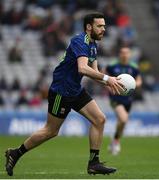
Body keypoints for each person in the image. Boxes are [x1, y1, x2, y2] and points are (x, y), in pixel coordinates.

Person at [5, 12, 124, 176]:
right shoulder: (79, 41)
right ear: (89, 27)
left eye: (104, 25)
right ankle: (15, 153)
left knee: (100, 119)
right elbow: (83, 68)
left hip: (74, 89)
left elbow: (94, 72)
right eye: (100, 26)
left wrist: (112, 82)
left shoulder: (93, 45)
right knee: (50, 131)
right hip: (61, 91)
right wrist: (106, 78)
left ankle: (94, 163)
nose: (104, 29)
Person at [105, 47, 142, 155]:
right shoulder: (112, 65)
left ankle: (115, 140)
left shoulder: (134, 67)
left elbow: (139, 80)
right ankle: (116, 142)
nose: (124, 55)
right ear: (119, 54)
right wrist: (110, 88)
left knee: (122, 122)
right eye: (122, 52)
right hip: (115, 98)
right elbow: (104, 77)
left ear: (130, 54)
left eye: (126, 53)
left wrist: (134, 85)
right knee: (124, 119)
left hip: (128, 99)